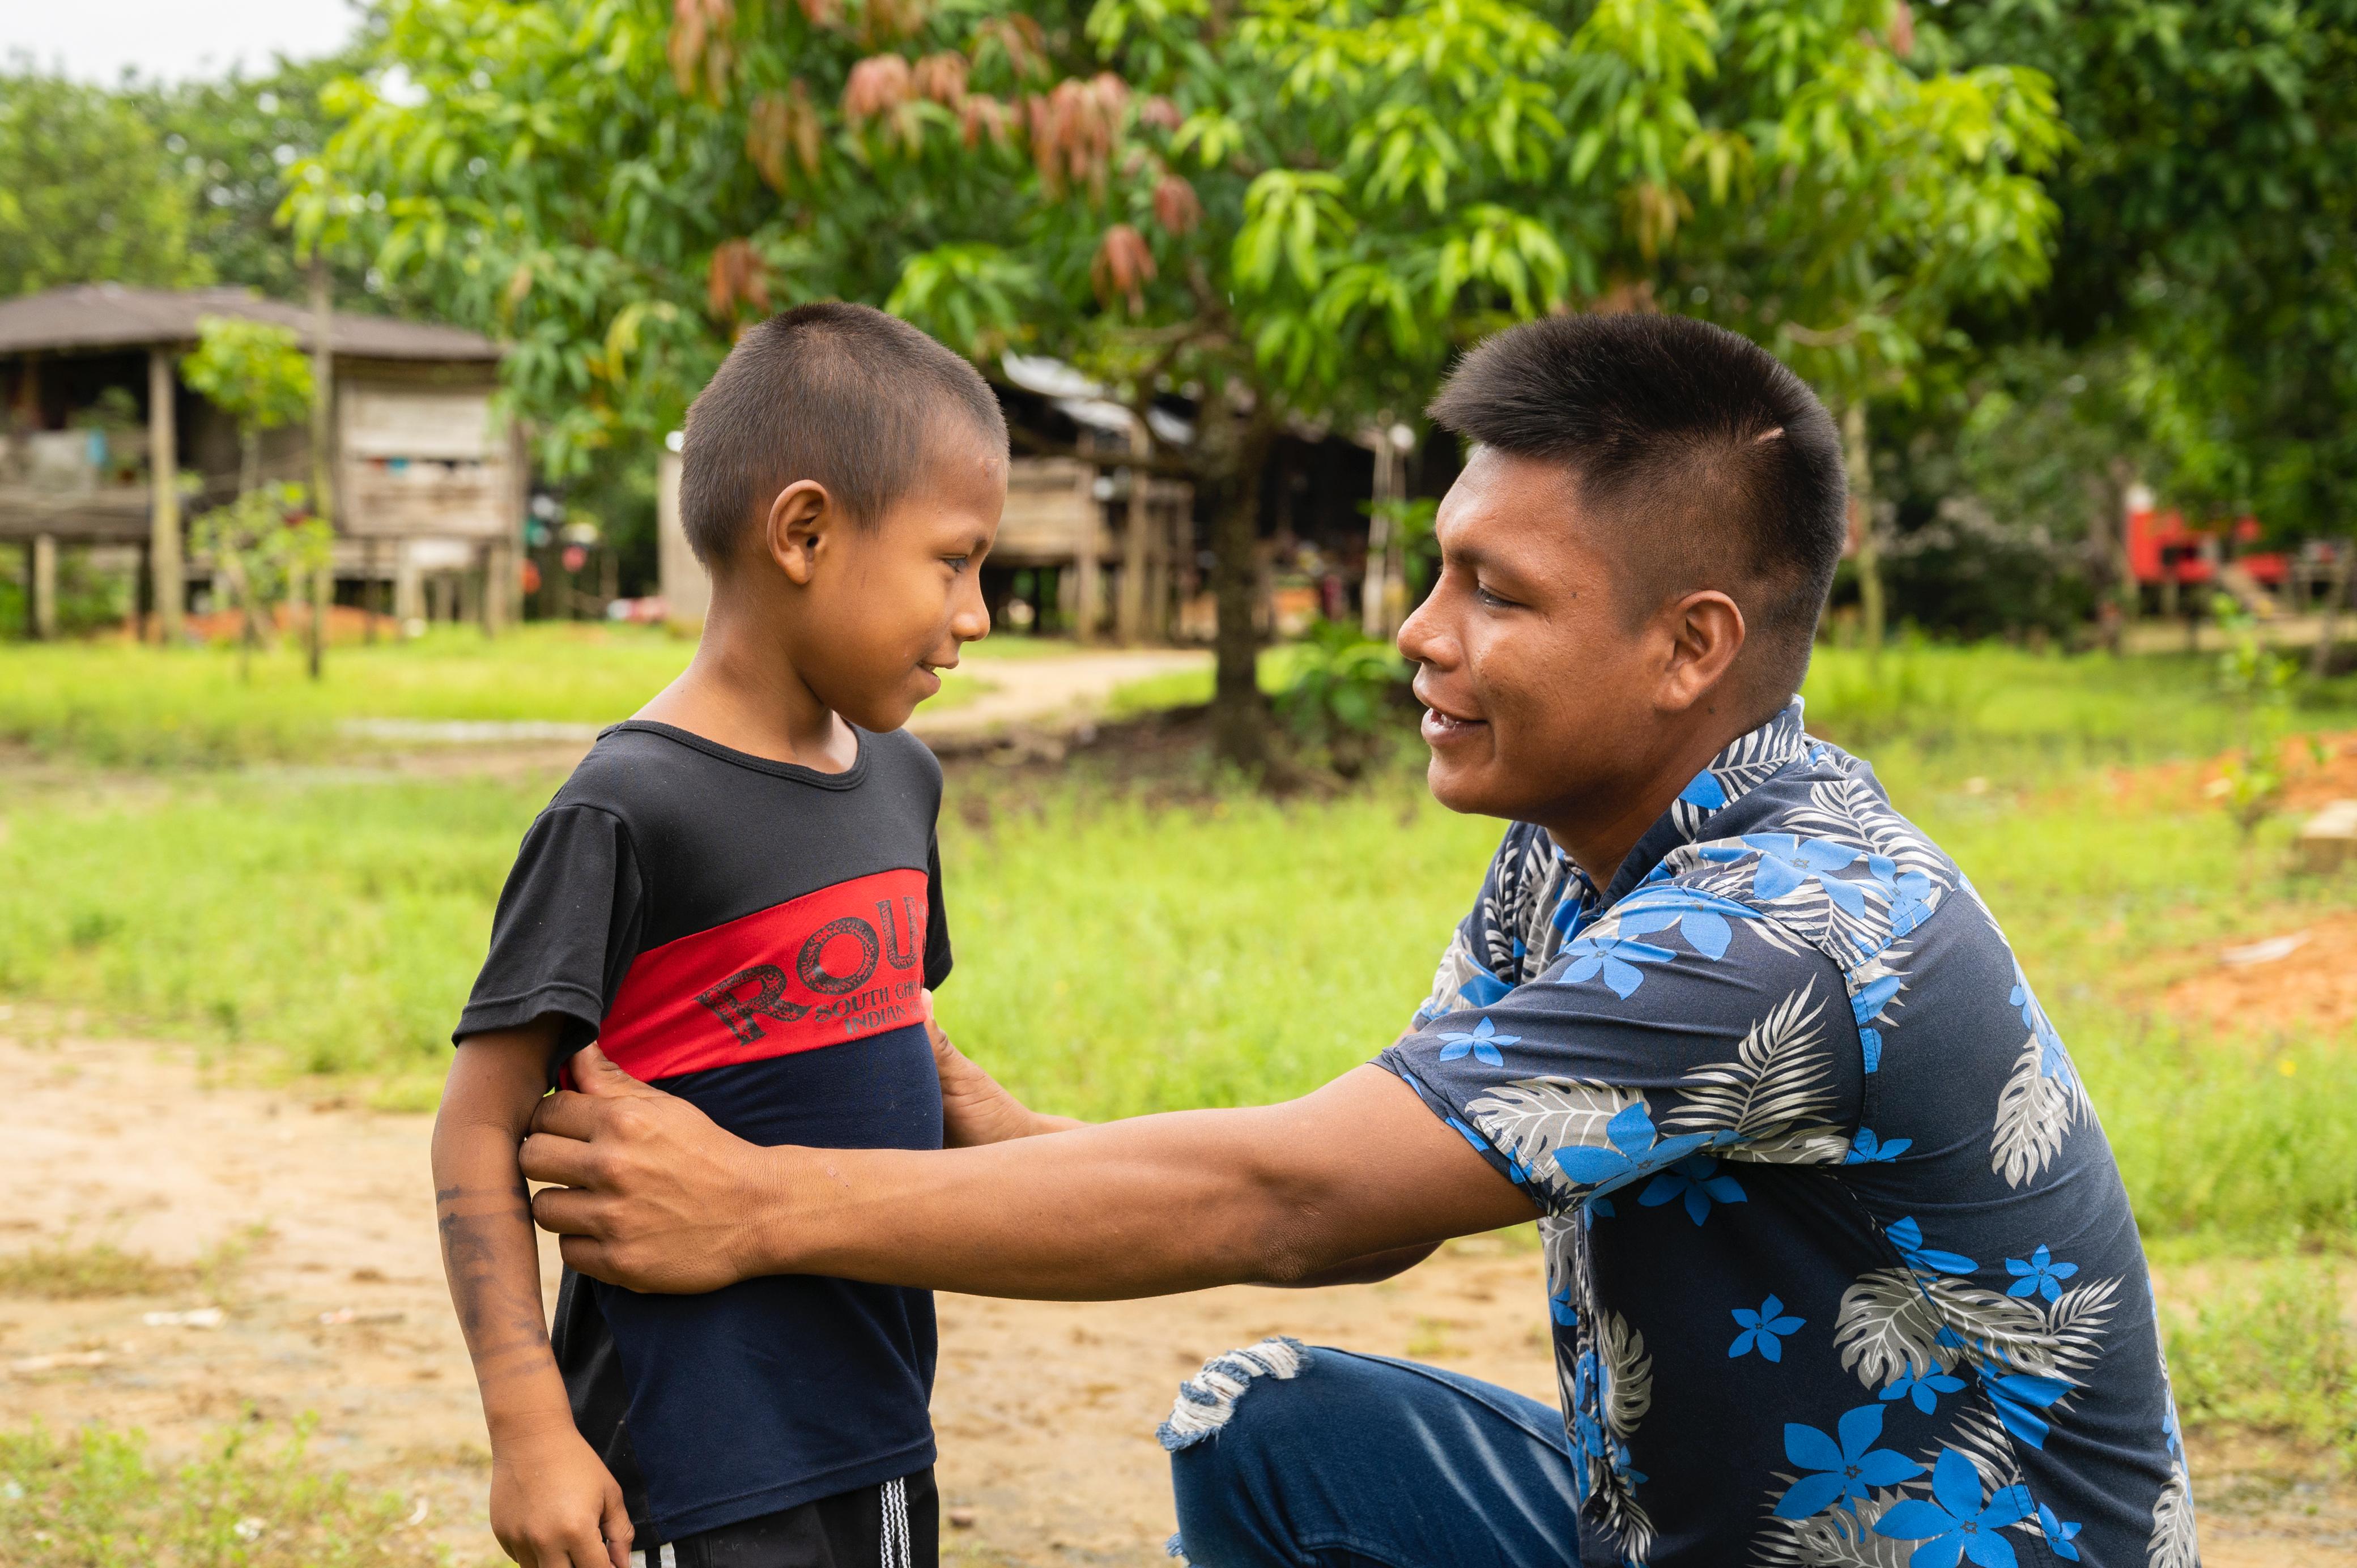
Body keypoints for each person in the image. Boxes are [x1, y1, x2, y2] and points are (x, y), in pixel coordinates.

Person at [521, 314, 2192, 1568]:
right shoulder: (1569, 866)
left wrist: (757, 1206)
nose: (1420, 632)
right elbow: (1375, 1160)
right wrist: (1000, 1134)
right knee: (1273, 1431)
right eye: (1439, 572)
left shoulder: (1786, 930)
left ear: (1691, 647)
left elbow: (1302, 1200)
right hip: (1677, 1528)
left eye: (1497, 594)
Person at [433, 302, 1009, 1568]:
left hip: (879, 1426)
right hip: (688, 1457)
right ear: (804, 532)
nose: (976, 613)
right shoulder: (629, 807)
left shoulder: (902, 781)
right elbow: (480, 1120)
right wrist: (528, 1425)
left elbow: (902, 1043)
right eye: (953, 561)